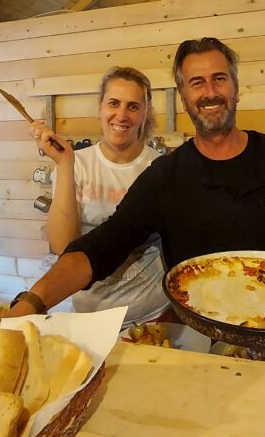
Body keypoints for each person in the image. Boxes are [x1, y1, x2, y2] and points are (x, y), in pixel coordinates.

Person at [7, 37, 265, 318]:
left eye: (219, 79)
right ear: (184, 97)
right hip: (199, 326)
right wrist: (32, 301)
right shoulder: (164, 175)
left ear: (236, 89)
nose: (210, 92)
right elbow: (102, 246)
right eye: (196, 82)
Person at [31, 66, 169, 326]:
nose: (121, 114)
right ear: (100, 107)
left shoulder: (160, 168)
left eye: (133, 106)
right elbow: (63, 246)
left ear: (144, 113)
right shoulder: (76, 164)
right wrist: (64, 165)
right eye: (114, 103)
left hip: (152, 316)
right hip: (89, 315)